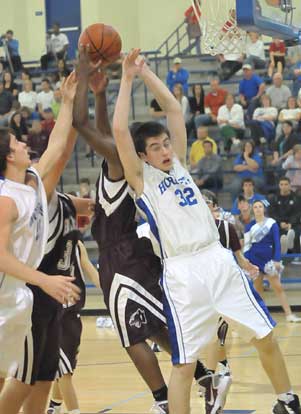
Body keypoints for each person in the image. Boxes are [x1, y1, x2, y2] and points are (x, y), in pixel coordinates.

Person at [112, 48, 301, 414]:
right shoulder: (141, 180)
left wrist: (146, 70)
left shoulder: (179, 164)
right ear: (143, 156)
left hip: (216, 258)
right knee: (184, 364)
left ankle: (288, 400)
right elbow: (120, 130)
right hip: (183, 272)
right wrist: (127, 77)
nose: (165, 150)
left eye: (166, 144)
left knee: (264, 333)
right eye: (155, 147)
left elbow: (172, 109)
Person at [72, 48, 226, 414]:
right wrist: (98, 91)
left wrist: (81, 68)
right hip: (134, 253)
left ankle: (162, 398)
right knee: (153, 326)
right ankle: (206, 376)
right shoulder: (128, 162)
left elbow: (81, 124)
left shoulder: (121, 161)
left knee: (131, 336)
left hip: (122, 256)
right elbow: (106, 133)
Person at [0, 73, 80, 409]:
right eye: (16, 143)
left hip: (20, 292)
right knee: (20, 376)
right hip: (7, 295)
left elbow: (58, 146)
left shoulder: (30, 181)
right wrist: (45, 280)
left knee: (32, 375)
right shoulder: (7, 199)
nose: (23, 144)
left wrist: (69, 100)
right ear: (7, 156)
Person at [48, 240, 100, 414]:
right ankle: (63, 408)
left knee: (65, 369)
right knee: (63, 369)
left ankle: (58, 407)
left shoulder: (76, 244)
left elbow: (90, 270)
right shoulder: (47, 240)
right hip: (56, 313)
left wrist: (110, 289)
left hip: (69, 314)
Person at [244, 200, 301, 323]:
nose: (258, 209)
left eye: (260, 206)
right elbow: (246, 246)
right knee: (258, 290)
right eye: (255, 207)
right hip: (254, 261)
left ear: (264, 209)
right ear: (252, 210)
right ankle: (262, 317)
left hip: (269, 260)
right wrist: (247, 262)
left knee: (278, 287)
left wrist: (276, 259)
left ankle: (289, 314)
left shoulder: (272, 223)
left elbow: (276, 242)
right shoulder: (249, 226)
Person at [269, 176, 301, 254]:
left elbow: (298, 213)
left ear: (290, 185)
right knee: (276, 234)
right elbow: (272, 213)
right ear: (279, 185)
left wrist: (290, 223)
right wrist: (280, 223)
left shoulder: (297, 198)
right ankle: (280, 255)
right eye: (282, 184)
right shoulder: (274, 198)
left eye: (286, 184)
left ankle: (296, 256)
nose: (284, 186)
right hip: (278, 224)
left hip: (293, 224)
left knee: (295, 233)